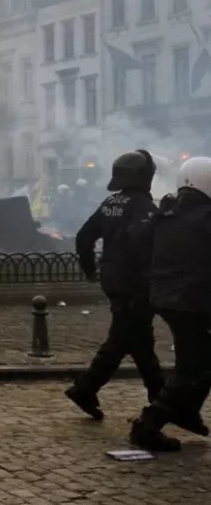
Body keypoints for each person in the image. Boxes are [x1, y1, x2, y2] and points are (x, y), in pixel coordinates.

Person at [66, 151, 164, 420]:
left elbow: (84, 237)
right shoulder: (143, 205)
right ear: (145, 177)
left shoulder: (111, 202)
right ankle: (85, 388)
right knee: (124, 338)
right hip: (134, 284)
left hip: (113, 278)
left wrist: (89, 269)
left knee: (139, 339)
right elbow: (141, 241)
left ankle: (161, 397)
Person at [129, 156, 211, 452]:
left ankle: (187, 412)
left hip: (166, 297)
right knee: (195, 367)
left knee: (197, 361)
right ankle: (148, 425)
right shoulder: (205, 217)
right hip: (192, 300)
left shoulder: (168, 213)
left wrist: (157, 217)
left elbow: (137, 242)